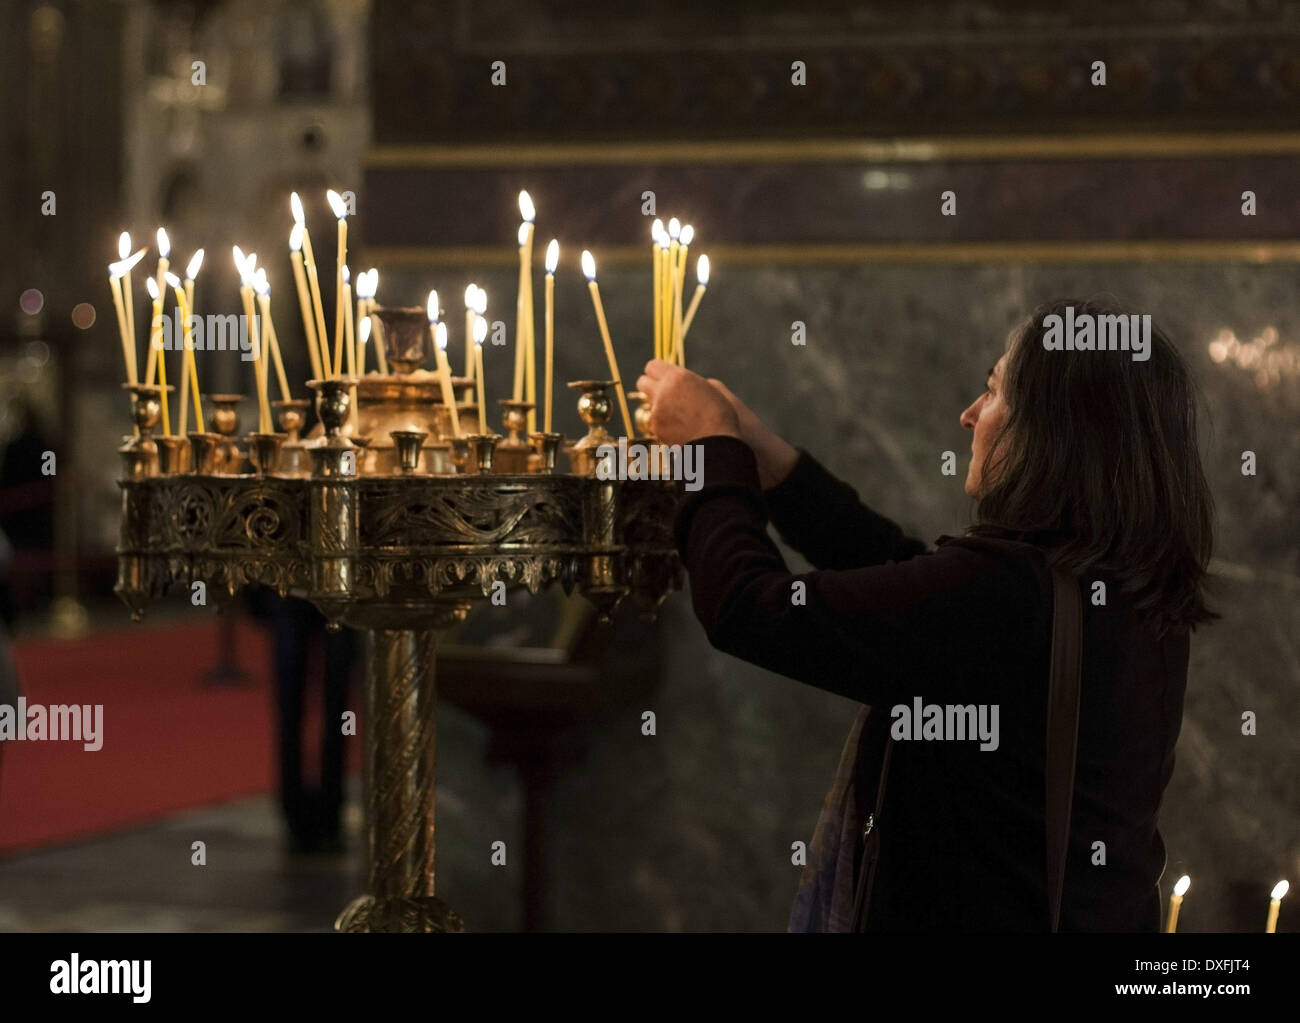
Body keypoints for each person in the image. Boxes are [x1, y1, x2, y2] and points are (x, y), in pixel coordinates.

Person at [636, 297, 1216, 932]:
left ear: (1050, 433)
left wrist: (711, 452)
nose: (968, 416)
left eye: (993, 394)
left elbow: (750, 609)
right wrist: (765, 459)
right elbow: (905, 577)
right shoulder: (1114, 582)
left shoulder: (1004, 596)